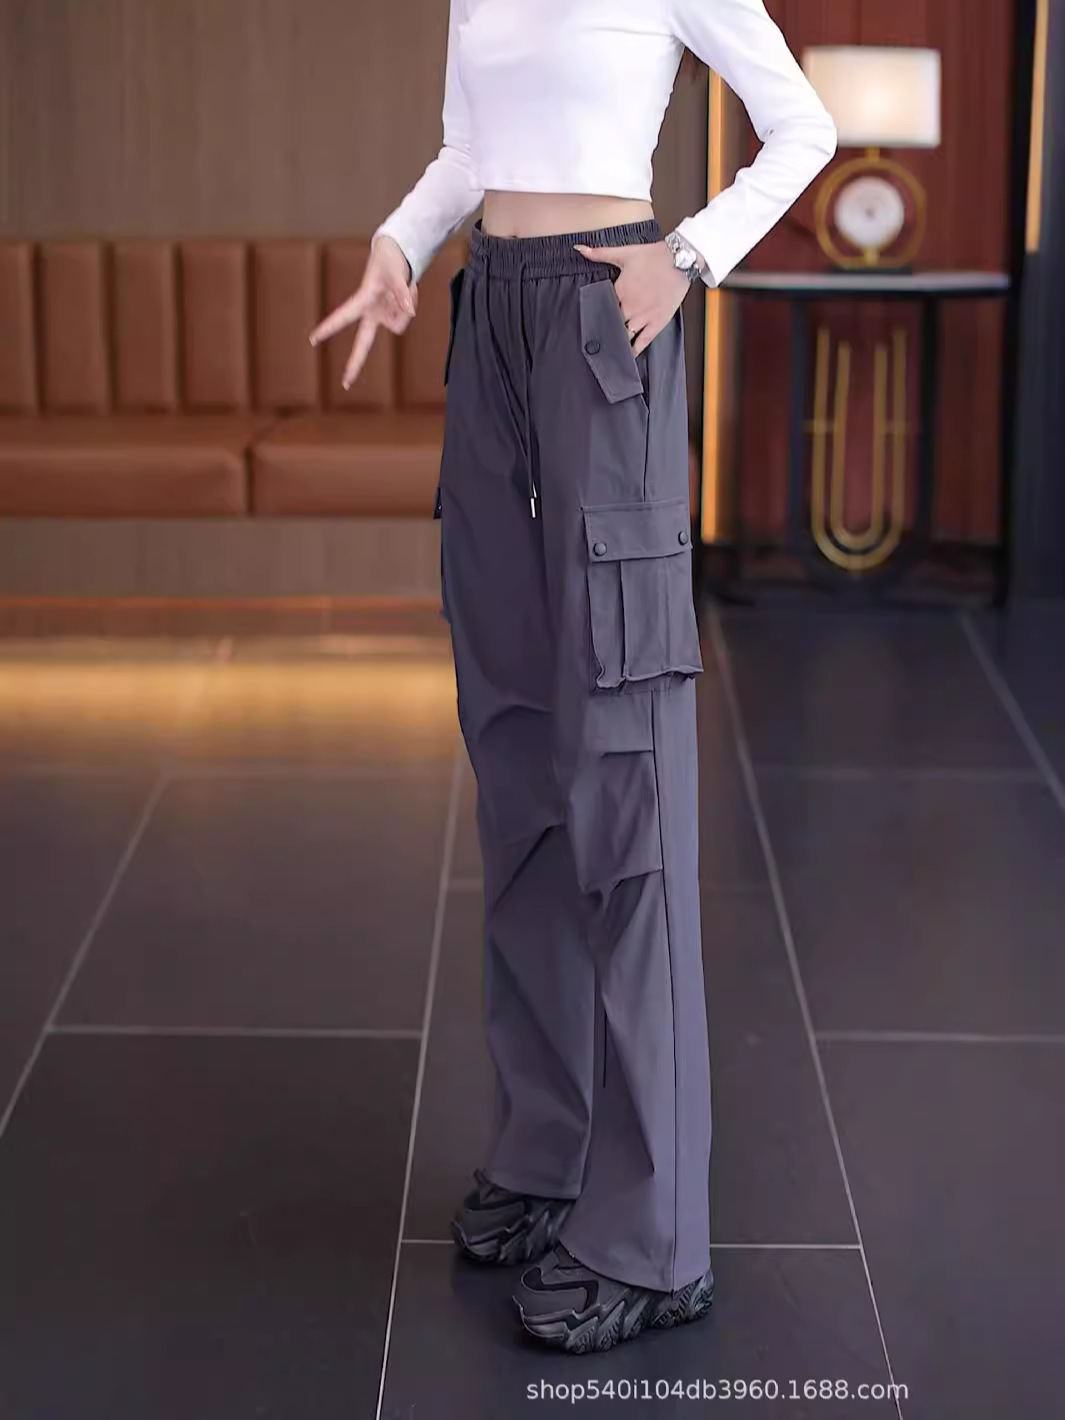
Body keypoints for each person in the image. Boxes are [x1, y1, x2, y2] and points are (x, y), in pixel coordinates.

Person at [310, 0, 836, 1355]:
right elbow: (467, 150)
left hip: (607, 313)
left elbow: (802, 126)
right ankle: (549, 1152)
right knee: (517, 751)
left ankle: (656, 1241)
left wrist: (690, 255)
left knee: (624, 767)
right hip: (489, 314)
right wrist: (400, 241)